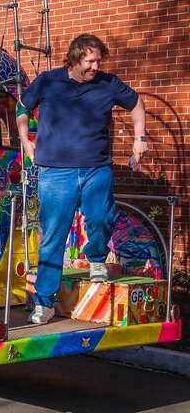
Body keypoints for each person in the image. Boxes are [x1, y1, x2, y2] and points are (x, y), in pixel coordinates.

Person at [16, 34, 147, 325]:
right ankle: (44, 302)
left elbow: (137, 104)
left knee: (101, 217)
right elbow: (22, 107)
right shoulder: (48, 81)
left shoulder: (108, 83)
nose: (95, 66)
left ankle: (97, 258)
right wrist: (26, 141)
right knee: (53, 236)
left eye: (98, 60)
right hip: (55, 171)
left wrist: (139, 139)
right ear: (75, 59)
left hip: (96, 167)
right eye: (90, 61)